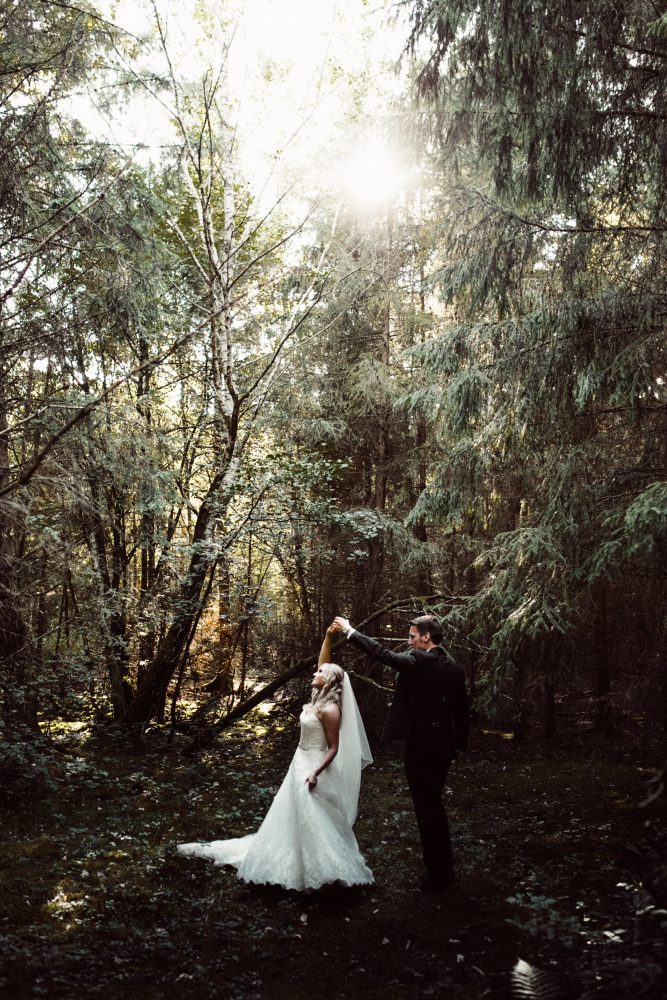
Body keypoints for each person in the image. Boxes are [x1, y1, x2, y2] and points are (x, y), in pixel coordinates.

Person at [177, 627, 374, 892]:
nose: (315, 672)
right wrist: (327, 636)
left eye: (320, 673)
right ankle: (294, 860)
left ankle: (327, 868)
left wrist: (316, 772)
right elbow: (323, 662)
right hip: (299, 760)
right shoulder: (318, 698)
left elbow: (334, 748)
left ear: (328, 681)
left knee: (314, 816)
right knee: (293, 814)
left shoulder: (330, 709)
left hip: (315, 765)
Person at [332, 613, 469, 893]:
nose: (408, 642)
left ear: (425, 637)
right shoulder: (454, 668)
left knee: (427, 809)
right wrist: (458, 745)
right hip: (443, 749)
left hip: (420, 749)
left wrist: (349, 631)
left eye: (411, 636)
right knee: (435, 806)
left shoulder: (419, 662)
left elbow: (382, 654)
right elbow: (462, 712)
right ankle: (443, 870)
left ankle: (437, 876)